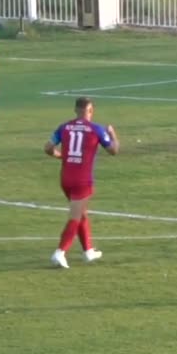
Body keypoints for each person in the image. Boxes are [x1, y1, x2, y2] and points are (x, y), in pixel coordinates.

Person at [44, 97, 118, 269]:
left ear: (75, 110)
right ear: (91, 111)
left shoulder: (64, 127)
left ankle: (88, 251)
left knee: (82, 214)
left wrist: (60, 155)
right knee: (75, 217)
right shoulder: (96, 129)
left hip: (66, 178)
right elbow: (114, 150)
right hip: (82, 180)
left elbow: (47, 147)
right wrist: (113, 134)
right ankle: (60, 252)